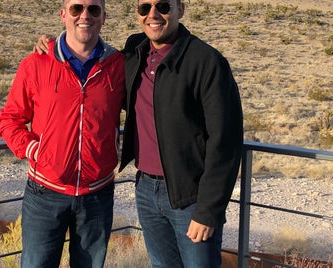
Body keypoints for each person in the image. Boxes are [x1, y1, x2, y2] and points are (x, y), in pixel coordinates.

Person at [34, 0, 243, 267]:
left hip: (190, 196)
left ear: (181, 9)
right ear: (137, 14)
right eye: (145, 7)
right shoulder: (135, 50)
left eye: (163, 6)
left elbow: (226, 141)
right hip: (145, 189)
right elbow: (93, 61)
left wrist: (209, 211)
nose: (153, 15)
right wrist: (55, 44)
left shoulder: (206, 61)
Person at [0, 0, 125, 266]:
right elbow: (10, 120)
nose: (85, 16)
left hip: (97, 195)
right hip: (45, 191)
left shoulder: (118, 65)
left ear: (104, 16)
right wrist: (36, 151)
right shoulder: (36, 64)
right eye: (77, 9)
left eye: (93, 9)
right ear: (63, 14)